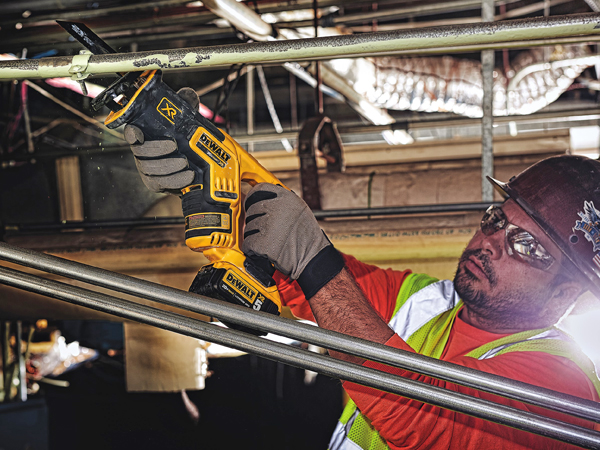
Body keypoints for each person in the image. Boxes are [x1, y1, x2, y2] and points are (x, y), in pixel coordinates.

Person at [125, 105, 600, 448]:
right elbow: (306, 276)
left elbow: (425, 418)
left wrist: (311, 258)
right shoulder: (426, 301)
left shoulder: (566, 388)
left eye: (527, 245)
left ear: (569, 294)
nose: (491, 242)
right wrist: (211, 178)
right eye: (497, 219)